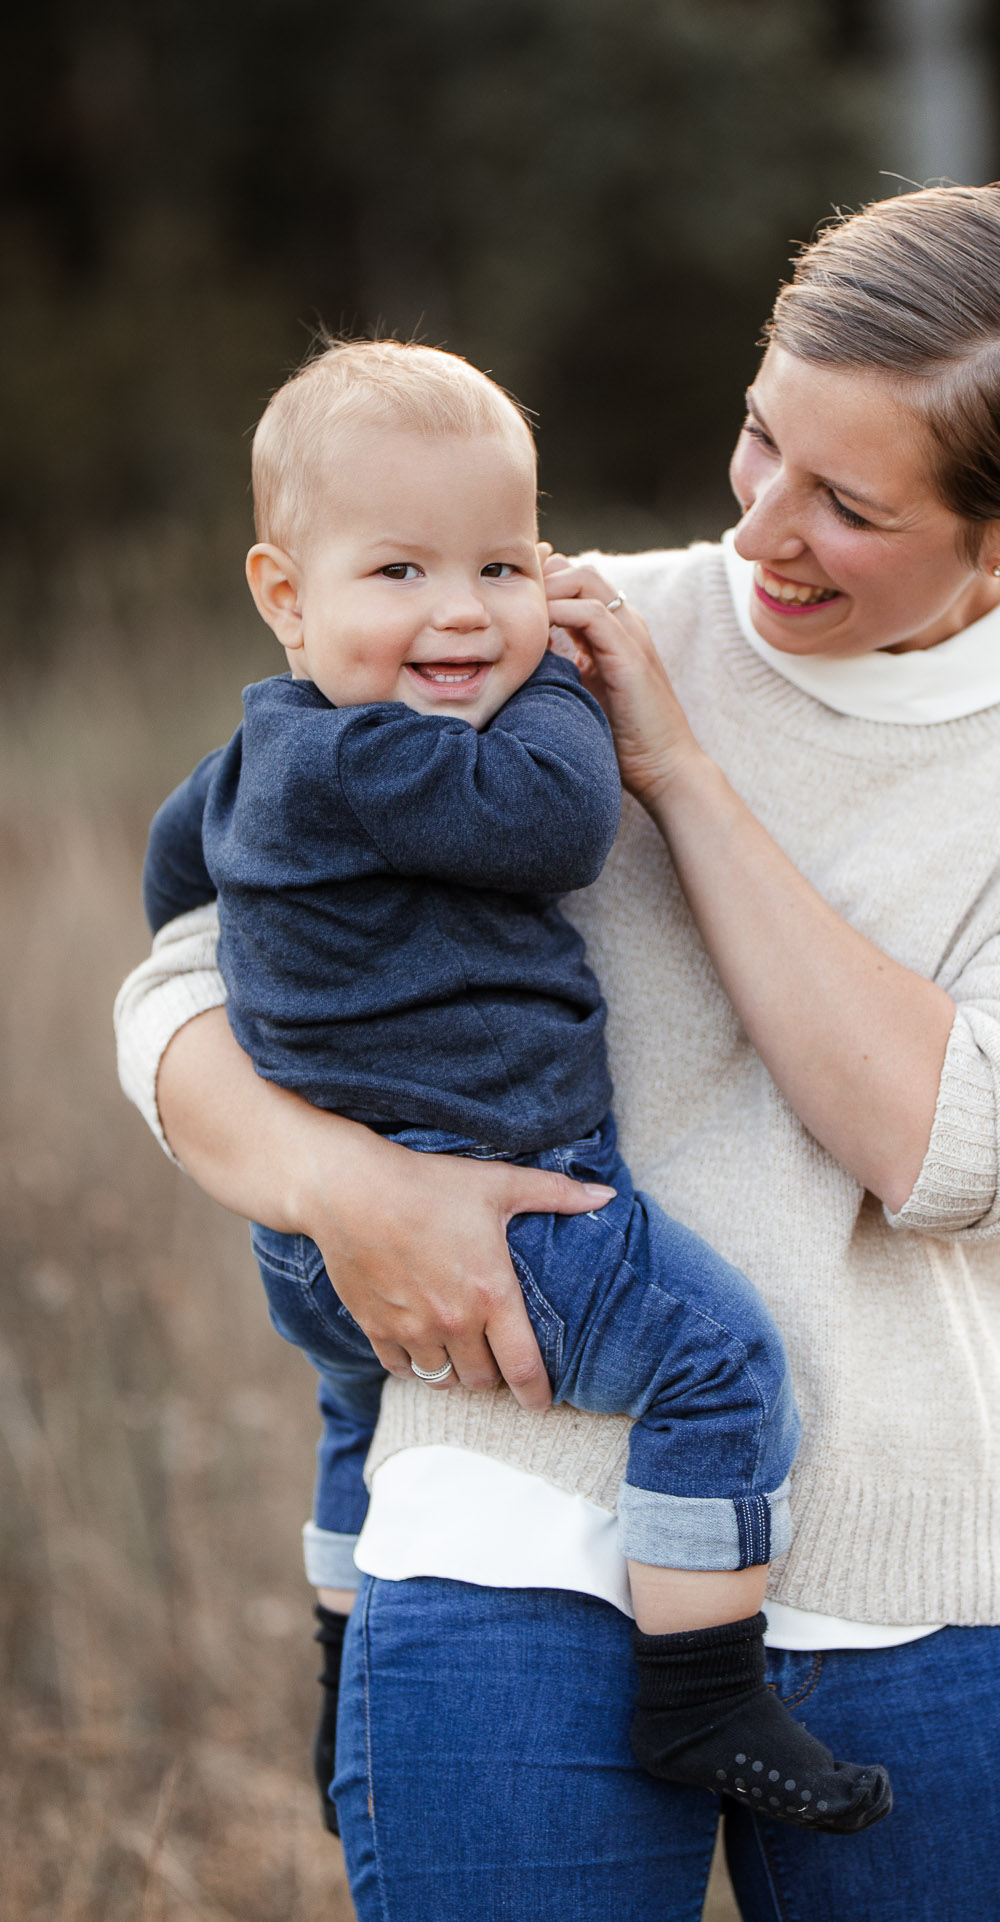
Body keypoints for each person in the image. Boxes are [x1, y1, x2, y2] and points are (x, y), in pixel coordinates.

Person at [114, 185, 1000, 1922]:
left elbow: (944, 1145)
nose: (756, 529)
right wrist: (341, 1189)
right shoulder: (525, 616)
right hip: (506, 1524)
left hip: (917, 1576)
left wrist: (682, 775)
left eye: (847, 507)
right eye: (761, 438)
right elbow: (184, 973)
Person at [138, 338, 890, 1838]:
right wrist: (561, 669)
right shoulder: (384, 761)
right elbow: (555, 823)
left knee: (357, 1413)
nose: (466, 614)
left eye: (502, 563)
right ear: (284, 595)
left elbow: (174, 878)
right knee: (716, 1362)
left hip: (316, 1243)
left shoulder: (258, 759)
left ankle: (342, 1654)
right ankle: (702, 1693)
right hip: (491, 1196)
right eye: (400, 572)